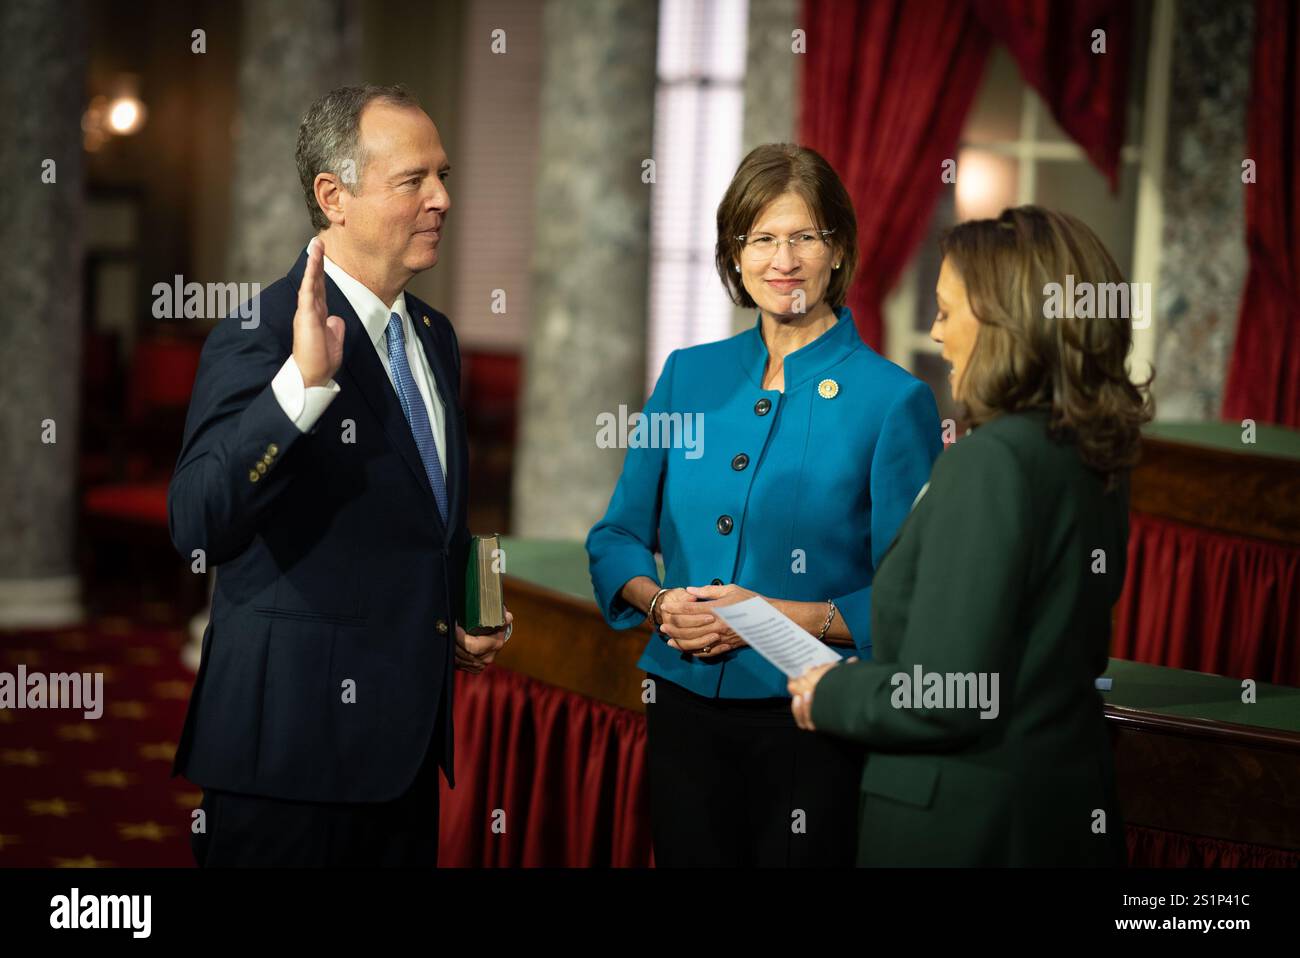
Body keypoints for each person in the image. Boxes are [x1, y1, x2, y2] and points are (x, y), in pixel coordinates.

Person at [168, 84, 512, 867]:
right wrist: (301, 389)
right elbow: (196, 521)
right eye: (413, 181)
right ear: (335, 197)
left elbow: (423, 518)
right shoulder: (261, 331)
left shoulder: (433, 333)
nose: (443, 199)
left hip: (408, 758)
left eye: (444, 175)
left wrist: (461, 606)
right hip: (292, 758)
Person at [586, 143, 942, 866]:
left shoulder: (894, 401)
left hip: (812, 722)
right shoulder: (689, 375)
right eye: (763, 239)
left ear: (837, 250)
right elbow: (616, 534)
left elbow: (909, 597)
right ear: (736, 254)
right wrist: (659, 604)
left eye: (805, 237)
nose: (784, 259)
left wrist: (775, 621)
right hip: (680, 713)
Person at [789, 205, 1154, 866]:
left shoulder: (991, 461)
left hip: (965, 829)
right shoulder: (1089, 453)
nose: (935, 332)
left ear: (1007, 321)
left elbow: (946, 696)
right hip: (1057, 813)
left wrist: (830, 691)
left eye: (948, 311)